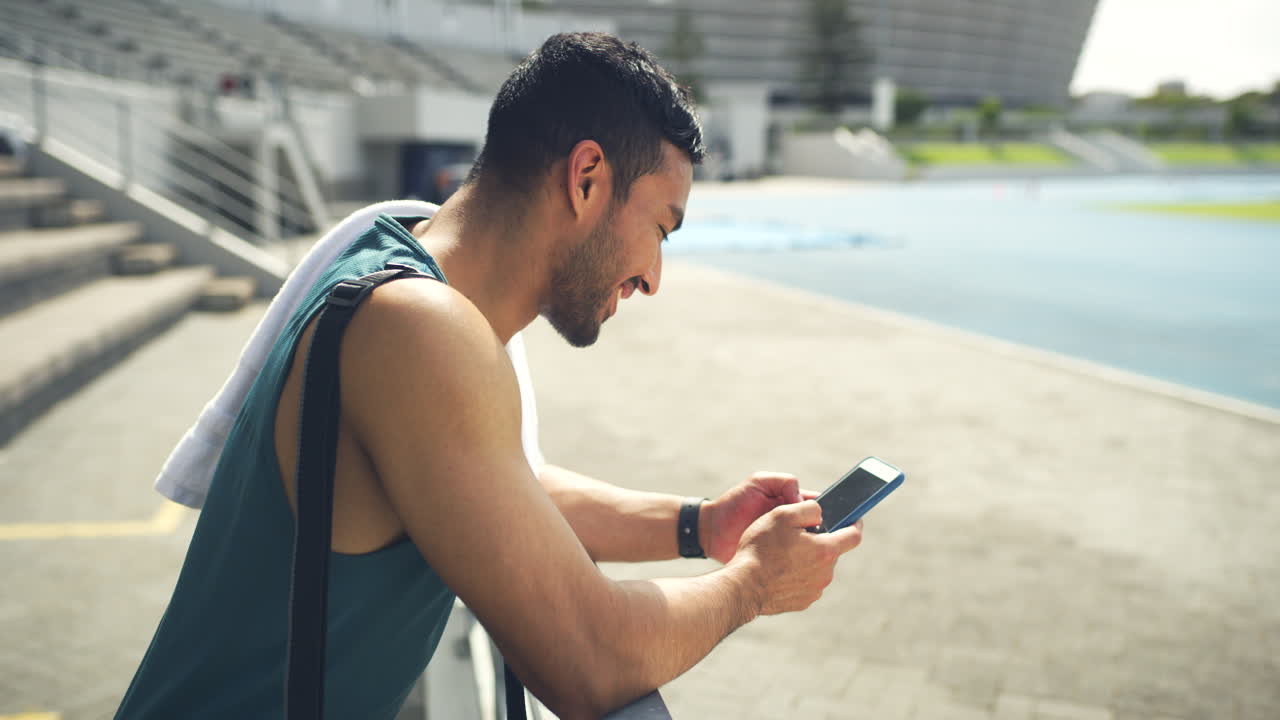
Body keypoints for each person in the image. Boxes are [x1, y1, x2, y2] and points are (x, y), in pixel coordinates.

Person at [115, 32, 863, 719]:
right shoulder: (418, 330)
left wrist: (701, 525)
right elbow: (588, 659)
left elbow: (502, 492)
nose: (654, 277)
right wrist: (753, 584)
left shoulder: (392, 251)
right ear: (587, 178)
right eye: (661, 228)